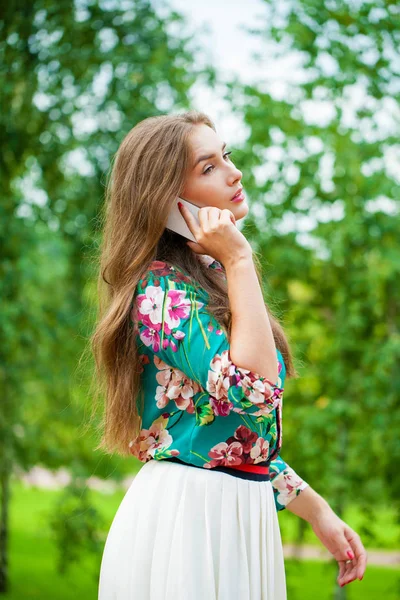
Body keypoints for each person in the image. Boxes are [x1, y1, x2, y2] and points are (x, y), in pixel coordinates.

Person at [93, 111, 367, 599]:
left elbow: (231, 439)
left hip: (237, 513)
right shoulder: (160, 293)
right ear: (166, 201)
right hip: (190, 524)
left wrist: (318, 512)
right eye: (208, 167)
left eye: (227, 156)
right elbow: (255, 392)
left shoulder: (208, 282)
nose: (233, 172)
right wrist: (239, 259)